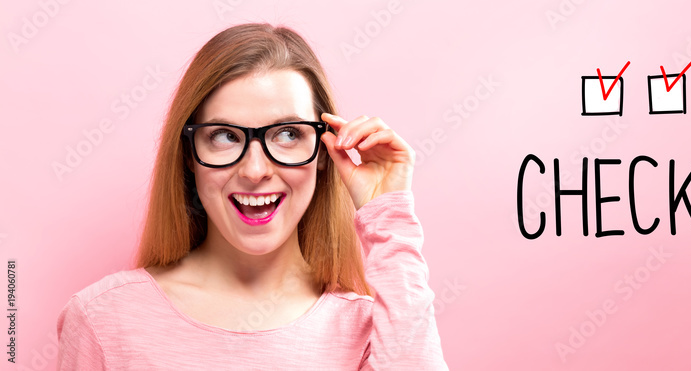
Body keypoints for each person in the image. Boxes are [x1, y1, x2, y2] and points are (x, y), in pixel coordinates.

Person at [55, 23, 448, 370]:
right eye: (225, 136)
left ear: (326, 152)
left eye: (288, 134)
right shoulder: (103, 319)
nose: (255, 170)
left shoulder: (371, 333)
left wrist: (388, 212)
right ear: (190, 155)